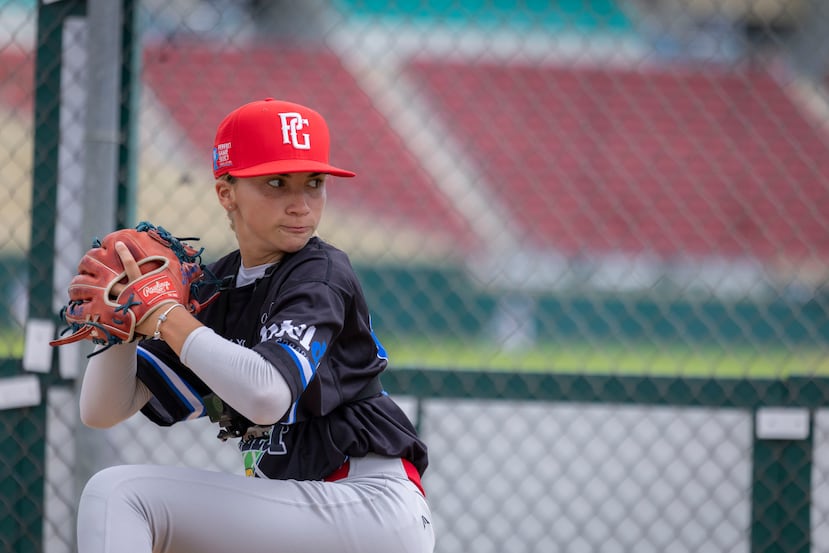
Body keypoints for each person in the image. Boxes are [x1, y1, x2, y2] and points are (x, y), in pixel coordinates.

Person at [75, 98, 435, 553]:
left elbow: (266, 396)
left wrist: (164, 314)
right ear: (226, 192)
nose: (300, 205)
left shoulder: (319, 273)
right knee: (123, 499)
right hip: (305, 506)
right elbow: (103, 410)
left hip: (366, 502)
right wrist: (122, 325)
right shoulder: (214, 290)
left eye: (315, 183)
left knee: (120, 496)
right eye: (277, 183)